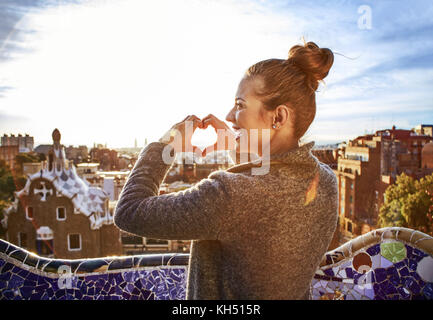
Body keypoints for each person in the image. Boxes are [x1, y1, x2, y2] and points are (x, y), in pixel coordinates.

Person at [114, 41, 339, 300]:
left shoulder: (231, 196)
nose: (230, 115)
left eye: (240, 105)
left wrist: (166, 145)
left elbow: (129, 211)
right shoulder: (325, 181)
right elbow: (256, 232)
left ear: (278, 117)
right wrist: (239, 145)